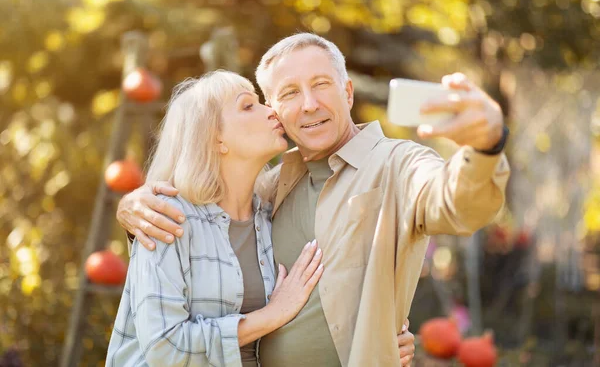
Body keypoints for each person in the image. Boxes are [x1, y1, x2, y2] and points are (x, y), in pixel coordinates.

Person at [117, 33, 510, 366]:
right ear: (277, 112)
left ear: (348, 92)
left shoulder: (398, 164)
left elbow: (456, 203)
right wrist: (131, 206)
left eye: (321, 84)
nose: (308, 104)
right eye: (289, 93)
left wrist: (486, 147)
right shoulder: (269, 190)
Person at [106, 71, 326, 367]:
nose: (271, 111)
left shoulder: (272, 212)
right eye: (248, 106)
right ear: (215, 138)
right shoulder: (166, 217)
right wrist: (272, 314)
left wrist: (389, 338)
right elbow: (164, 349)